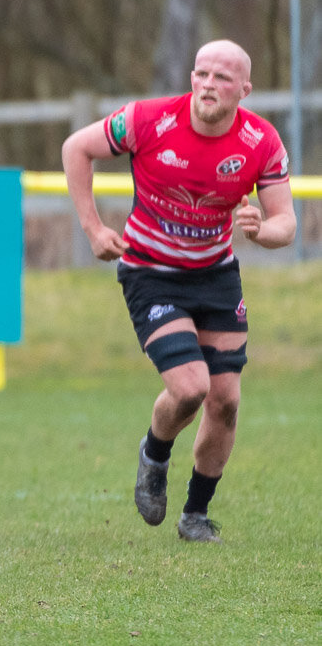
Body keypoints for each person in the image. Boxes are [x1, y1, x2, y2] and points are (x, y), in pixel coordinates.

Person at [61, 39, 294, 543]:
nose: (208, 85)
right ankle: (155, 452)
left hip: (215, 274)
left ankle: (195, 515)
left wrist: (258, 229)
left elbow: (286, 224)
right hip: (151, 271)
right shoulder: (146, 120)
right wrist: (94, 229)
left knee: (226, 399)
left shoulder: (261, 141)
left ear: (245, 89)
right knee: (190, 388)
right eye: (201, 74)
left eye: (223, 78)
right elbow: (75, 148)